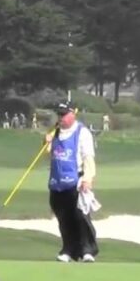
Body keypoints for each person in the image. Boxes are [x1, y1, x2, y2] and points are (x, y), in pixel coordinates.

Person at [45, 101, 99, 263]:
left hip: (76, 181)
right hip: (57, 182)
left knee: (80, 217)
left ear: (72, 114)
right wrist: (46, 142)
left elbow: (88, 157)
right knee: (63, 218)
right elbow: (51, 155)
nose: (60, 118)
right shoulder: (54, 133)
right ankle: (68, 249)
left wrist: (88, 179)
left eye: (64, 114)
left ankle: (87, 249)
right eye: (59, 115)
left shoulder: (82, 133)